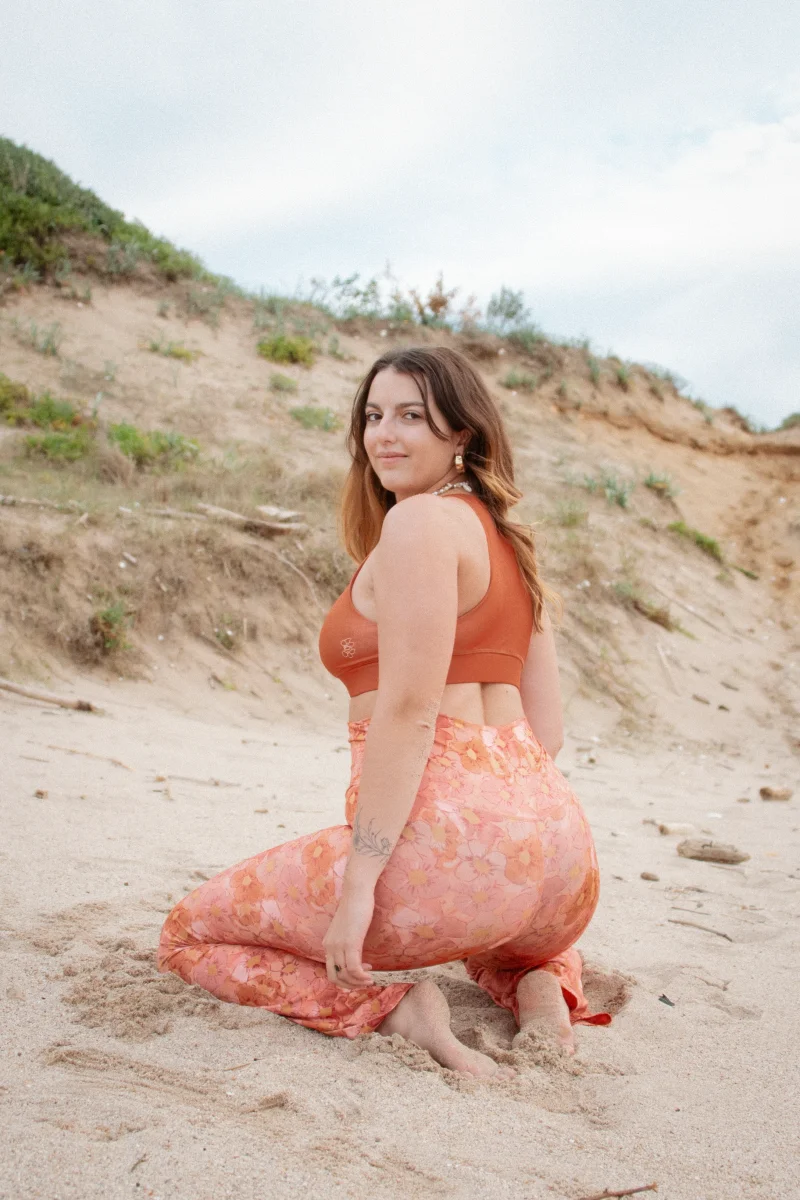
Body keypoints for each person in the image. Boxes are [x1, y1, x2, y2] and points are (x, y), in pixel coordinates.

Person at [157, 345, 610, 1078]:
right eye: (373, 416)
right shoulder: (509, 539)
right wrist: (500, 843)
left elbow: (409, 710)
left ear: (461, 432)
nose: (384, 435)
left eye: (411, 417)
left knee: (187, 935)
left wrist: (361, 883)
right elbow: (547, 732)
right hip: (559, 861)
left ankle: (399, 1011)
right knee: (494, 928)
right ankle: (538, 985)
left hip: (446, 857)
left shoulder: (419, 524)